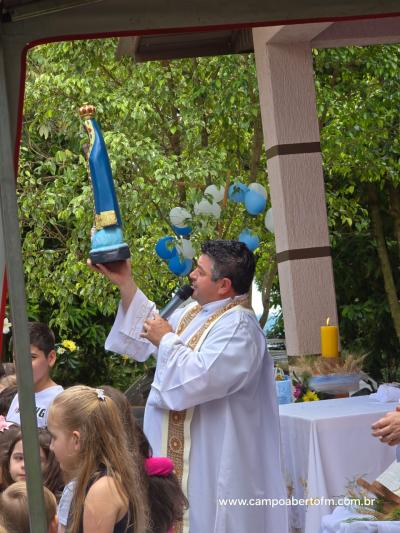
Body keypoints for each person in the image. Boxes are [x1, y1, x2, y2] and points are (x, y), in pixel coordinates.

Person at [91, 240, 288, 533]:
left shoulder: (240, 327)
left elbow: (200, 379)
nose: (192, 275)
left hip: (214, 455)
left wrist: (167, 340)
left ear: (223, 285)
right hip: (187, 452)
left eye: (200, 270)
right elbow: (153, 332)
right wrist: (126, 283)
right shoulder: (195, 312)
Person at [47, 385, 149, 533]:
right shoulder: (94, 482)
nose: (51, 446)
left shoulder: (102, 490)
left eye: (54, 437)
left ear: (76, 439)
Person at [6, 322, 63, 428]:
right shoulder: (19, 394)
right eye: (16, 358)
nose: (22, 365)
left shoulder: (59, 402)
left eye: (31, 357)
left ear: (51, 358)